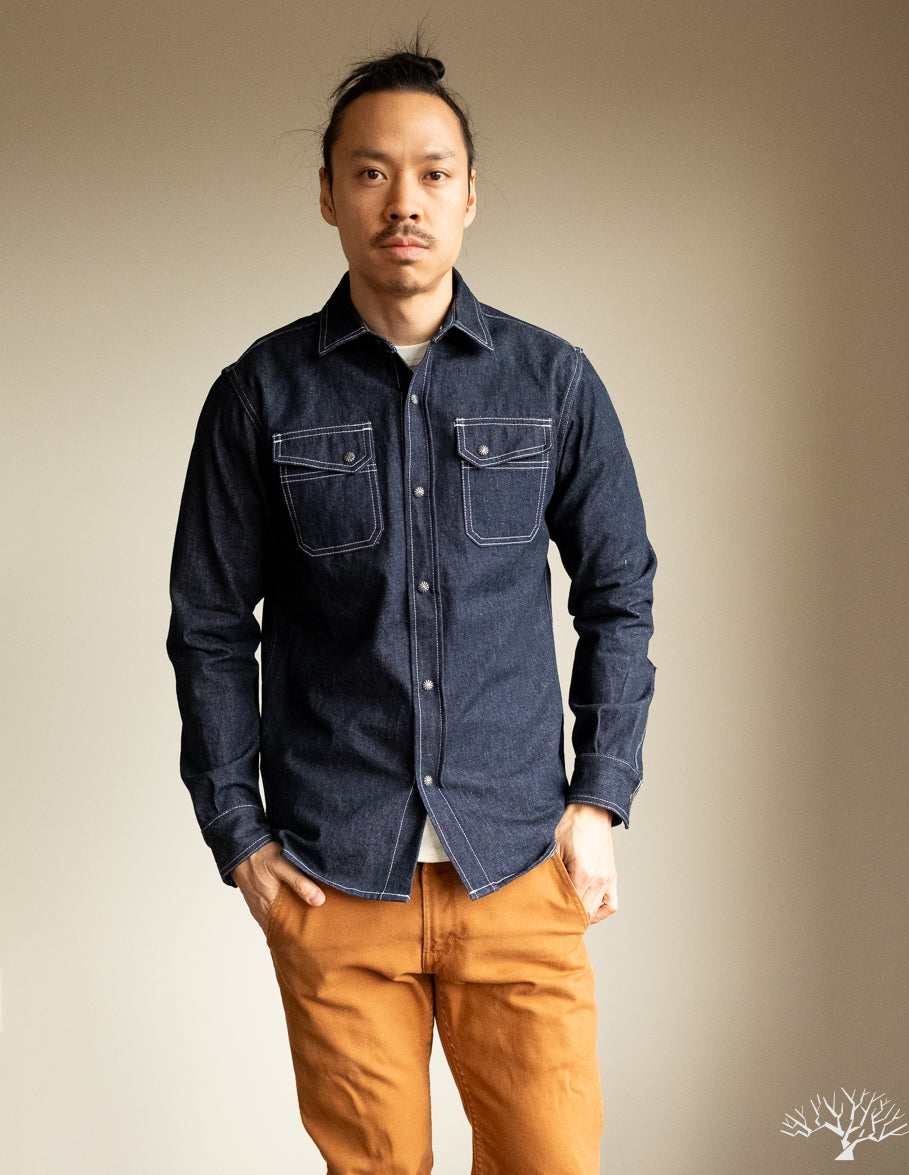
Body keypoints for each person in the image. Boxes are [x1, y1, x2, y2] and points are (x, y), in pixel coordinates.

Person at [167, 40, 655, 1175]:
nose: (405, 202)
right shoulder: (261, 393)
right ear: (329, 194)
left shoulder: (553, 381)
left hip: (516, 859)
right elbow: (207, 624)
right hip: (335, 870)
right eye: (372, 172)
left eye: (434, 173)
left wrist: (599, 798)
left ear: (470, 194)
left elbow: (619, 594)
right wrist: (238, 835)